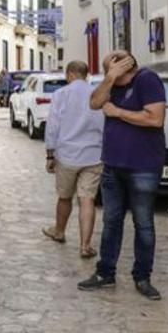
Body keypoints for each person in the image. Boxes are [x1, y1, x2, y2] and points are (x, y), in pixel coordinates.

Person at [78, 51, 166, 300]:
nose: (110, 74)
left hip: (143, 166)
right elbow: (95, 103)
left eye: (113, 68)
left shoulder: (148, 80)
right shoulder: (111, 84)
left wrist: (118, 113)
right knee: (111, 221)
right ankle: (105, 273)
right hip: (112, 165)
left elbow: (155, 119)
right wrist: (109, 79)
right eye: (108, 69)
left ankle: (142, 277)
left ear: (128, 66)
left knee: (144, 223)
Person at [42, 61, 104, 258]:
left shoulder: (61, 95)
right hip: (93, 155)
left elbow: (52, 125)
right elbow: (104, 124)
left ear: (69, 74)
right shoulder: (97, 93)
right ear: (86, 75)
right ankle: (85, 245)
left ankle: (59, 231)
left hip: (67, 155)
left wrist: (50, 153)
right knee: (87, 199)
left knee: (64, 196)